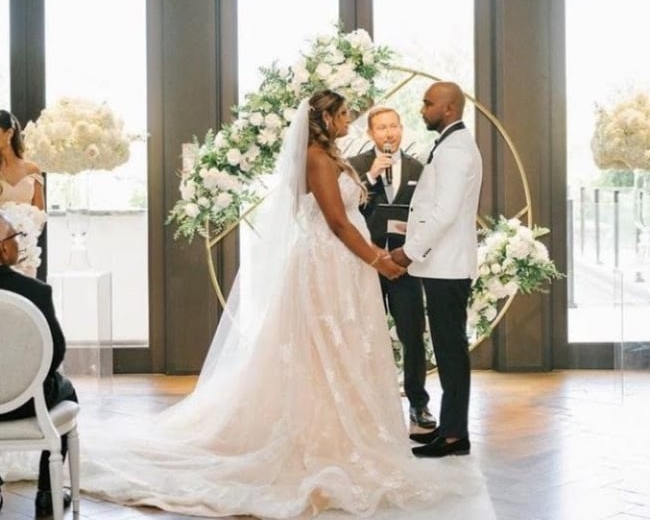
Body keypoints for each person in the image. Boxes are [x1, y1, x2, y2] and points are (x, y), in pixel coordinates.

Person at [75, 89, 483, 519]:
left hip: (349, 266)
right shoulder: (315, 157)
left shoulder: (339, 155)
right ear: (325, 119)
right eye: (344, 115)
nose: (350, 121)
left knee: (345, 348)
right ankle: (321, 433)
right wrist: (378, 260)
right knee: (322, 346)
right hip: (330, 261)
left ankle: (353, 428)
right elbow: (338, 222)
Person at [391, 82, 483, 459]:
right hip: (441, 263)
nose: (422, 109)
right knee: (447, 349)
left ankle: (454, 435)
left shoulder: (456, 150)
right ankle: (449, 428)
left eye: (428, 103)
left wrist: (409, 252)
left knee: (450, 349)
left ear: (447, 108)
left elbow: (444, 212)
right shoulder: (449, 144)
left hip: (447, 265)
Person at [348, 106, 435, 430]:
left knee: (412, 335)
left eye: (394, 126)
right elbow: (346, 211)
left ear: (402, 129)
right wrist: (371, 175)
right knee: (363, 334)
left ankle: (418, 404)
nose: (389, 133)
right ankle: (365, 406)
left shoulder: (419, 168)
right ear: (370, 134)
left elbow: (427, 217)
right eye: (381, 127)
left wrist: (409, 255)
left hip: (404, 266)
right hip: (365, 264)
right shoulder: (355, 167)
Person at [0, 210, 78, 518]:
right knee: (67, 390)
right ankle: (48, 492)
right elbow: (55, 353)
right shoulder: (36, 291)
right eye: (15, 237)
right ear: (5, 249)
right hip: (29, 405)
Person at [0, 109, 46, 278]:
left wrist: (25, 237)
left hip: (27, 250)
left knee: (26, 299)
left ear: (9, 133)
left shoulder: (32, 169)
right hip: (0, 252)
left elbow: (40, 214)